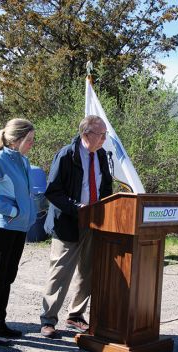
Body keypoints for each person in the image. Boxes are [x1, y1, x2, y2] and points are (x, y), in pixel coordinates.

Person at [40, 115, 113, 338]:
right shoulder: (66, 155)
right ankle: (48, 320)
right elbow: (52, 191)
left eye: (105, 135)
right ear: (85, 134)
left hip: (93, 222)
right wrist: (76, 207)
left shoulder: (101, 155)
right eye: (100, 135)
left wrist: (106, 209)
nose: (103, 139)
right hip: (68, 222)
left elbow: (105, 188)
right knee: (60, 272)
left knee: (87, 271)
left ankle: (75, 315)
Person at [0, 118, 37, 344]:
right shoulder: (0, 159)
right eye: (28, 139)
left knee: (8, 276)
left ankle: (0, 324)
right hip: (3, 226)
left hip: (19, 227)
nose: (32, 143)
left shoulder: (23, 160)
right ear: (15, 139)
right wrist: (11, 211)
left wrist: (28, 216)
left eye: (32, 139)